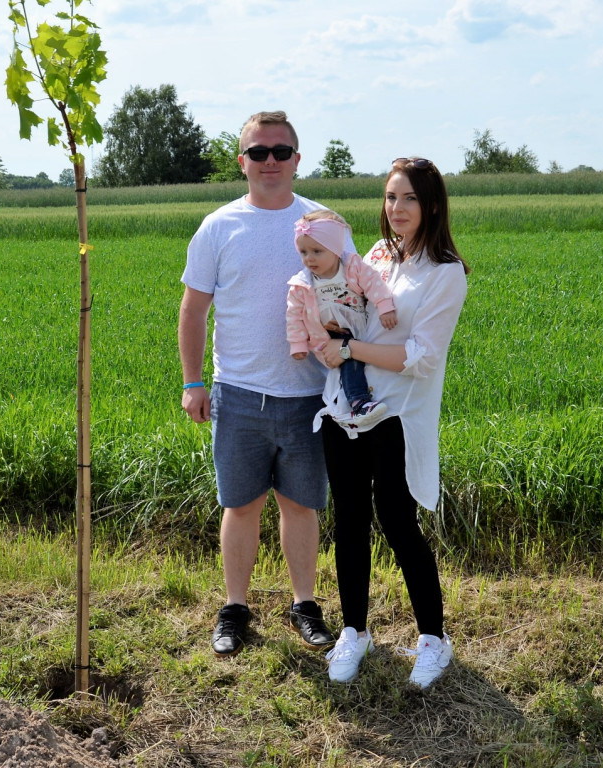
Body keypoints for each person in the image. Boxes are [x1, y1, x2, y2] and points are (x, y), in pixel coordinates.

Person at [178, 111, 351, 657]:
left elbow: (357, 295)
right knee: (241, 505)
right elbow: (193, 310)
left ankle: (305, 605)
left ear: (297, 159)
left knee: (301, 505)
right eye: (258, 152)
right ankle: (235, 608)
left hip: (309, 396)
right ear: (242, 162)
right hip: (237, 394)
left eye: (280, 152)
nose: (269, 161)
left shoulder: (324, 225)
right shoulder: (218, 227)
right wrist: (193, 381)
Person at [316, 157, 469, 689]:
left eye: (408, 198)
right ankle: (354, 631)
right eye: (389, 197)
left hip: (396, 415)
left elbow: (422, 357)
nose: (396, 208)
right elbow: (351, 309)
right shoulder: (377, 256)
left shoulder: (445, 272)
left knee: (398, 522)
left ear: (432, 206)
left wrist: (350, 348)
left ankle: (433, 639)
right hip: (345, 409)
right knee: (349, 521)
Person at [286, 209, 396, 429]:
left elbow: (373, 283)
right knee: (349, 360)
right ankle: (359, 403)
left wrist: (385, 306)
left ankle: (358, 402)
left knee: (364, 364)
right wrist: (297, 343)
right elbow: (294, 316)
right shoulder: (301, 284)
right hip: (331, 334)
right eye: (303, 252)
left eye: (317, 251)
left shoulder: (351, 267)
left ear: (336, 249)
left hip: (360, 325)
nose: (309, 258)